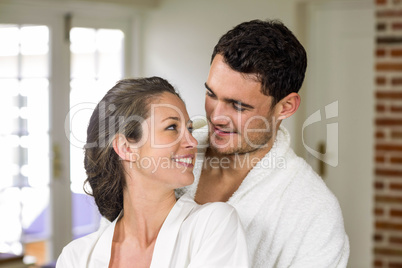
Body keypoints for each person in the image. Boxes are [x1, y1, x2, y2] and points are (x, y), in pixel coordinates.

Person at [176, 19, 350, 267]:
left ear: (286, 107)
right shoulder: (168, 158)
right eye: (211, 94)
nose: (216, 117)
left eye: (238, 106)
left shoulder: (314, 214)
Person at [56, 77, 249, 268]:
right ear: (126, 148)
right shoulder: (76, 257)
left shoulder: (213, 226)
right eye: (172, 127)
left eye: (189, 129)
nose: (192, 141)